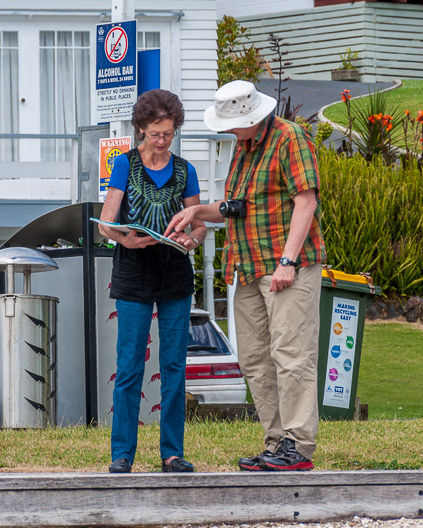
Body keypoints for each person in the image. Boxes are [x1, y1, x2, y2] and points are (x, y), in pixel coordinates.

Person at [165, 80, 325, 472]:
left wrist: (287, 262)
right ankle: (276, 442)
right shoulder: (245, 147)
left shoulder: (290, 138)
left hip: (287, 266)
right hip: (248, 266)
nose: (227, 131)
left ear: (253, 116)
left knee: (291, 356)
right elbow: (236, 207)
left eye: (231, 124)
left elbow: (306, 200)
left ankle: (299, 446)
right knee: (254, 359)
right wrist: (197, 213)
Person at [99, 89, 206, 474]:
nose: (162, 141)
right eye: (155, 133)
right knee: (129, 367)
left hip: (175, 273)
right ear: (141, 128)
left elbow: (199, 224)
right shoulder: (124, 164)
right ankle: (122, 453)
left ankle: (172, 453)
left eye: (169, 133)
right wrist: (124, 237)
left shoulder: (185, 170)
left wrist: (192, 238)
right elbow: (108, 223)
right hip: (133, 274)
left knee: (174, 366)